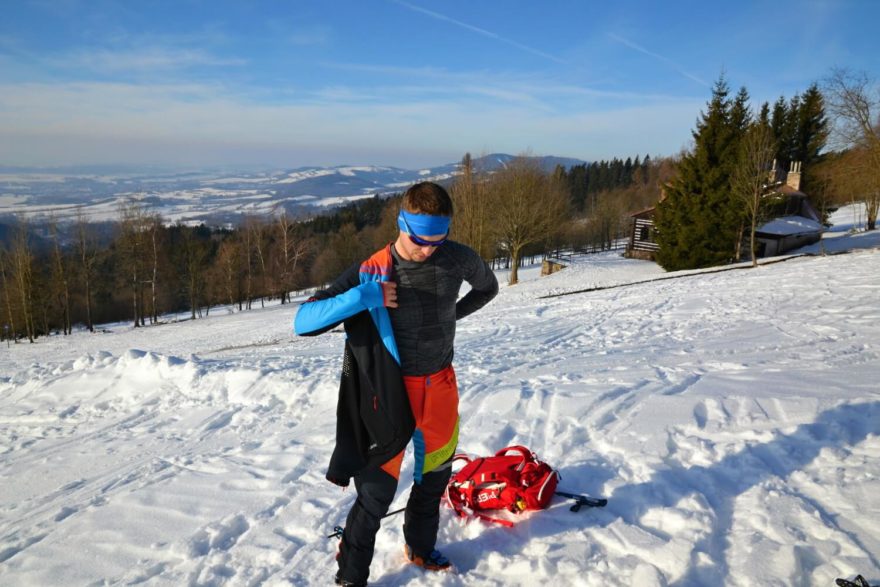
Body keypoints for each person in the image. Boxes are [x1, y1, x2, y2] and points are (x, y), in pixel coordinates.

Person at [294, 181, 498, 586]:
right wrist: (365, 296)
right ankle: (351, 576)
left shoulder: (456, 258)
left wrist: (451, 317)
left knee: (433, 479)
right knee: (375, 496)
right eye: (420, 239)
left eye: (438, 240)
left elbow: (487, 287)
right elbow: (304, 321)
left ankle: (419, 548)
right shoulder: (372, 270)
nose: (428, 249)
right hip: (387, 398)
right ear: (401, 223)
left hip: (440, 387)